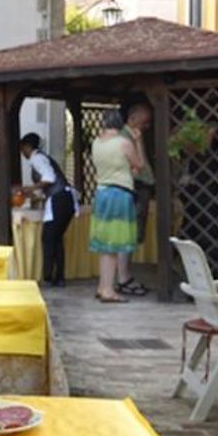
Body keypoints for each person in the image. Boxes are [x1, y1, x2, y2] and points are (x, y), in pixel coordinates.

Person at [89, 111, 142, 303]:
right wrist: (138, 142)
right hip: (119, 194)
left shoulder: (96, 143)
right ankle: (108, 290)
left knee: (105, 246)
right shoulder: (123, 143)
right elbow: (139, 165)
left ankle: (103, 286)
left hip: (101, 192)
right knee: (113, 244)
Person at [18, 133, 75, 287]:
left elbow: (49, 178)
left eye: (22, 148)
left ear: (28, 147)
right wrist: (34, 191)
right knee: (56, 239)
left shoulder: (37, 158)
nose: (22, 152)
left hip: (58, 199)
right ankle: (59, 277)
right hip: (66, 198)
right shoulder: (43, 158)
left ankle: (49, 277)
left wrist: (31, 187)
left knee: (48, 238)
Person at [116, 102, 154, 296]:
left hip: (134, 189)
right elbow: (138, 166)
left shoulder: (131, 136)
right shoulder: (126, 139)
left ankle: (125, 276)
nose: (146, 126)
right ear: (132, 119)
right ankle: (123, 278)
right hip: (133, 189)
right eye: (144, 122)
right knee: (128, 235)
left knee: (131, 235)